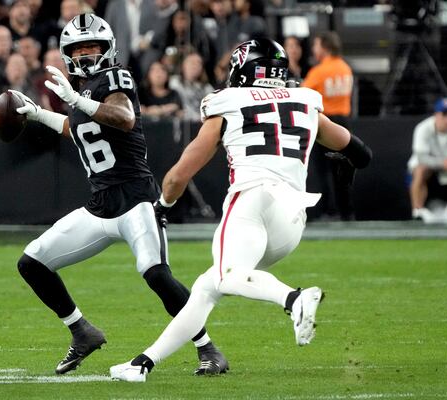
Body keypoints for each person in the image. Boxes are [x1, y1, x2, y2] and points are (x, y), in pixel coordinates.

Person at [109, 38, 372, 382]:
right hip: (293, 216)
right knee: (208, 286)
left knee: (229, 275)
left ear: (245, 70)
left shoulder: (227, 102)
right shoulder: (304, 99)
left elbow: (181, 173)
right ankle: (143, 363)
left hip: (252, 200)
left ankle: (293, 299)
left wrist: (163, 204)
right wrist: (349, 160)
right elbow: (360, 152)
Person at [8, 14, 227, 376]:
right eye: (77, 49)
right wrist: (38, 114)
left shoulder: (115, 77)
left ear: (107, 48)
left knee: (156, 275)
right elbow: (77, 129)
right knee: (32, 263)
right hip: (100, 207)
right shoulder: (81, 90)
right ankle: (82, 331)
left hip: (136, 200)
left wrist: (77, 99)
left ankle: (209, 350)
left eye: (91, 46)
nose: (84, 54)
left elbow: (123, 117)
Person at [302, 31, 355, 220]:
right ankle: (347, 212)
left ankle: (330, 211)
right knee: (343, 169)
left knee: (323, 171)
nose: (314, 49)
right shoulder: (345, 68)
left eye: (316, 45)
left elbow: (302, 94)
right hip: (344, 122)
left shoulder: (320, 71)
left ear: (324, 47)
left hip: (325, 123)